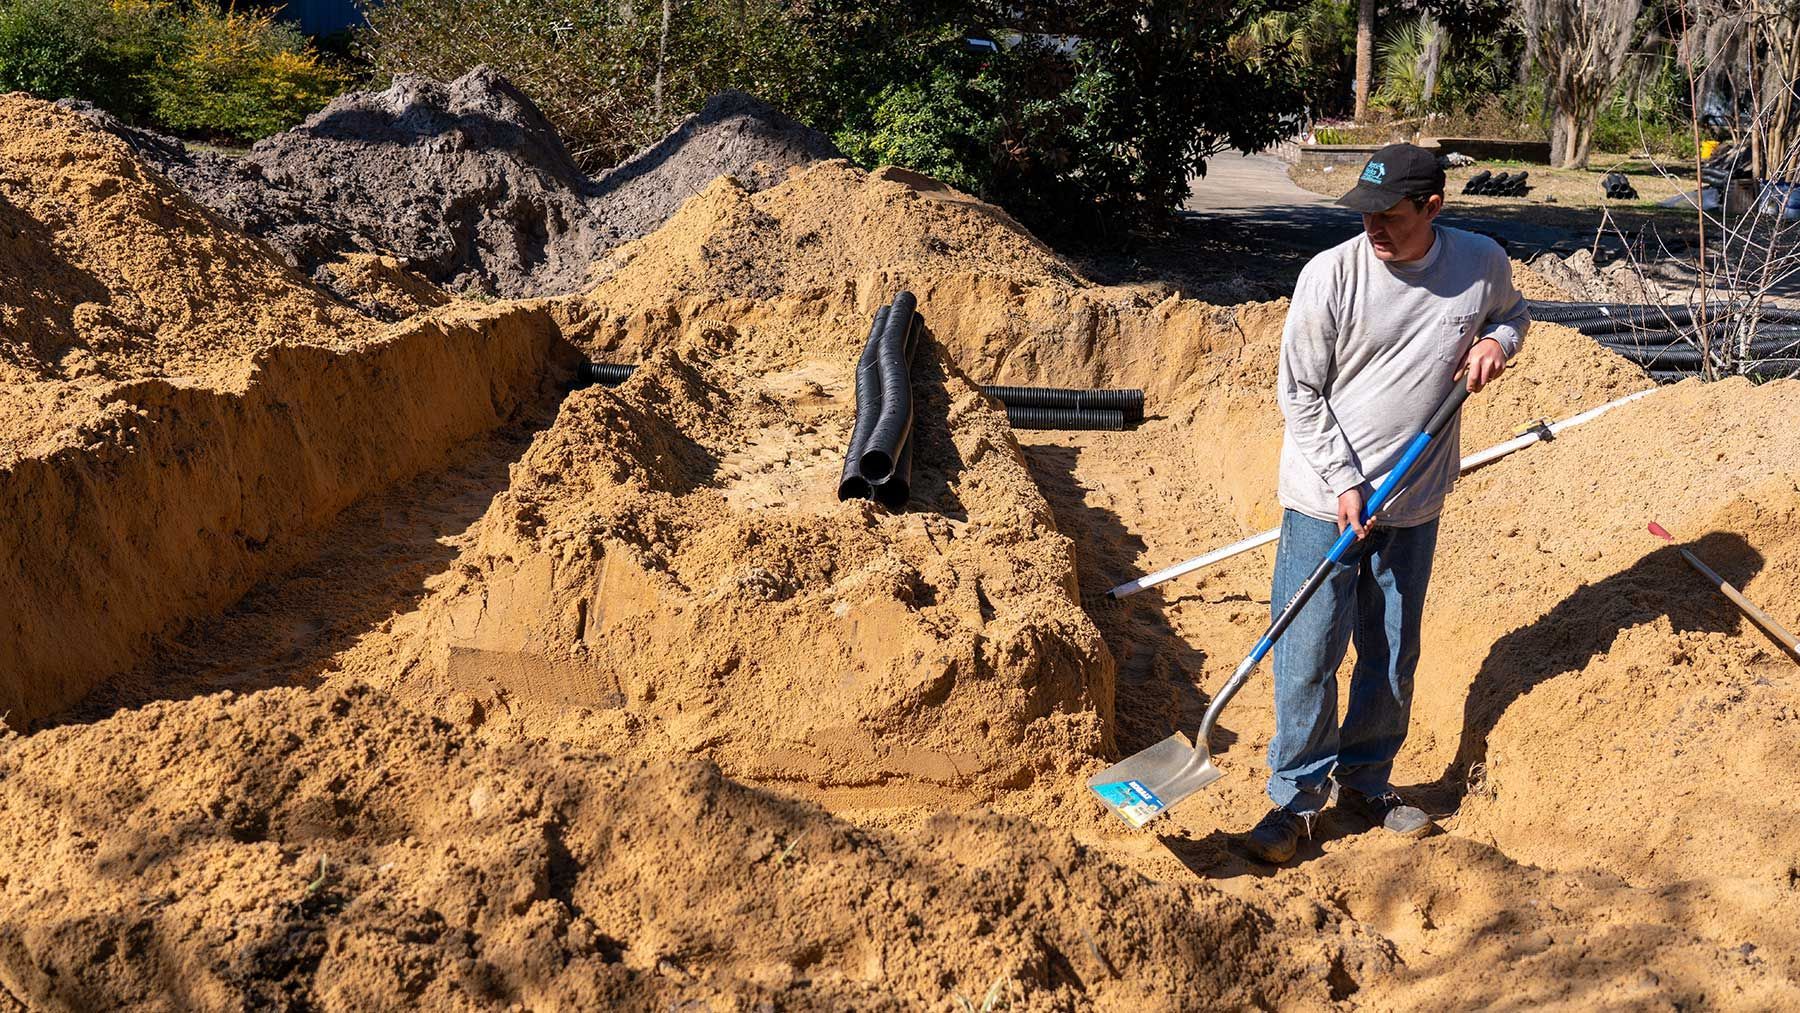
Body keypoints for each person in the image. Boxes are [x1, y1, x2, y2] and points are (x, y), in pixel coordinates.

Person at [1243, 143, 1531, 864]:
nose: (1374, 227)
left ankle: (1367, 784)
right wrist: (1344, 481)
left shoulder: (1480, 262)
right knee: (1309, 652)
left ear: (1433, 208)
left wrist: (1497, 340)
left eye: (1391, 215)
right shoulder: (1330, 276)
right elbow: (1299, 395)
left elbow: (1513, 314)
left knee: (1392, 653)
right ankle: (1295, 801)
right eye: (1365, 212)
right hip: (1323, 498)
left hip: (1413, 501)